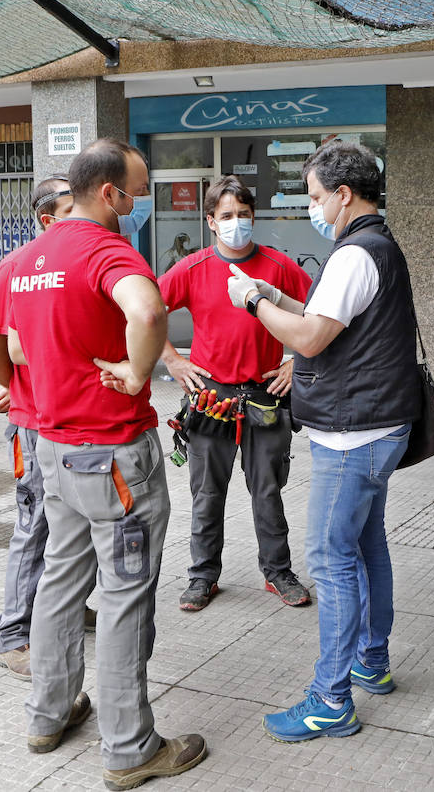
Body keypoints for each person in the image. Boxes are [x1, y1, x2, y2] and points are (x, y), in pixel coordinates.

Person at [7, 139, 207, 788]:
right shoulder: (106, 250)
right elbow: (148, 309)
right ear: (110, 194)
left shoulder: (29, 258)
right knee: (124, 598)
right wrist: (139, 368)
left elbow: (3, 343)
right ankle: (129, 747)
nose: (140, 205)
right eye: (138, 193)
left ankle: (49, 712)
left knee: (60, 581)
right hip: (113, 457)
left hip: (52, 449)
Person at [228, 140, 420, 743]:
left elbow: (310, 339)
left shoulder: (354, 254)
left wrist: (255, 300)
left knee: (331, 563)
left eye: (315, 197)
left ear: (343, 194)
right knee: (367, 548)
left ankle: (331, 699)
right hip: (380, 427)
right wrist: (274, 295)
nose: (312, 208)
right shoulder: (379, 247)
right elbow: (329, 319)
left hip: (351, 437)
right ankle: (371, 660)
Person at [158, 176, 313, 613]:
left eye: (243, 215)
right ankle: (203, 576)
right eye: (227, 216)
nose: (236, 223)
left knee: (268, 489)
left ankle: (277, 571)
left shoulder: (279, 267)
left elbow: (323, 317)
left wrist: (294, 363)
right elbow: (144, 312)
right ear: (211, 221)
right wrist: (173, 360)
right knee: (207, 493)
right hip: (212, 400)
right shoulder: (191, 268)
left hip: (265, 397)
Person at [0, 175, 95, 679]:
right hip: (33, 425)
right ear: (49, 217)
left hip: (70, 421)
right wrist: (22, 389)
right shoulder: (16, 267)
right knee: (35, 526)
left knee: (75, 522)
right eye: (74, 206)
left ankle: (67, 605)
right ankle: (13, 633)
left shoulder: (76, 263)